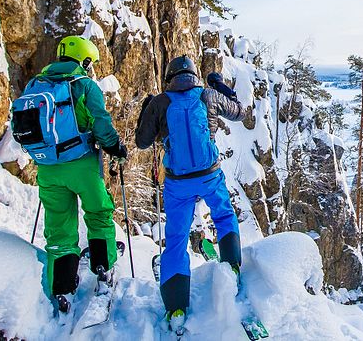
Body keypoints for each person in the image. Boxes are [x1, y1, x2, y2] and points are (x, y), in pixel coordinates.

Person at [15, 36, 127, 312]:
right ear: (84, 60)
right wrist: (116, 147)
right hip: (82, 163)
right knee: (99, 212)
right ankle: (103, 267)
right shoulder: (84, 85)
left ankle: (62, 288)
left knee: (59, 229)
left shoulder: (35, 85)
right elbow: (100, 122)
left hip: (48, 169)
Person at [135, 55, 245, 331]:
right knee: (223, 215)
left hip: (177, 183)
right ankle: (231, 269)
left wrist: (147, 108)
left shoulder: (161, 102)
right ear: (195, 75)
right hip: (209, 174)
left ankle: (176, 310)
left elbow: (142, 141)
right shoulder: (207, 95)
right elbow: (240, 112)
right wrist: (222, 87)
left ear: (170, 78)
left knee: (176, 239)